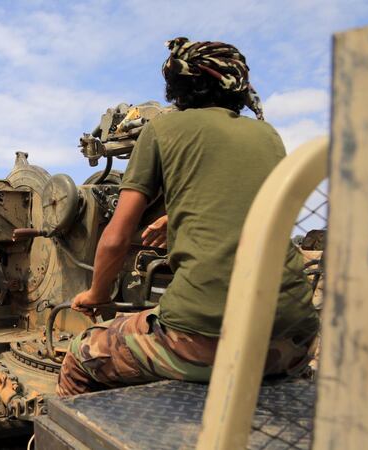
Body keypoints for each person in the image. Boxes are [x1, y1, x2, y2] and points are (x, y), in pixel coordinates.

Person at [56, 37, 319, 397]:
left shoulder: (162, 130)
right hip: (296, 339)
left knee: (81, 357)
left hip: (206, 339)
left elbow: (117, 237)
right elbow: (251, 208)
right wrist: (173, 219)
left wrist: (97, 293)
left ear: (176, 88)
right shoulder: (267, 134)